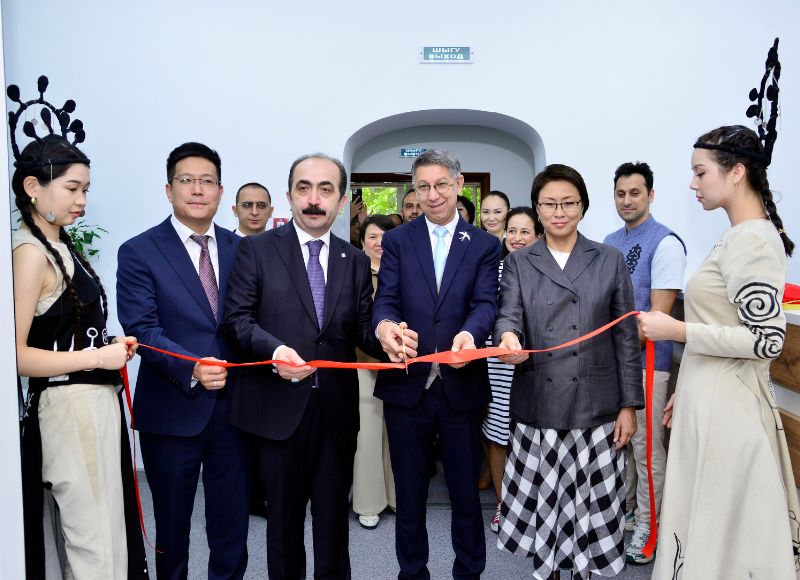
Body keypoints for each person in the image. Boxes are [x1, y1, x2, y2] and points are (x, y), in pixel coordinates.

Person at [638, 125, 799, 578]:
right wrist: (686, 384)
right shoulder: (737, 235)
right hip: (709, 397)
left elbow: (766, 339)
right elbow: (723, 323)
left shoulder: (753, 241)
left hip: (729, 411)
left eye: (700, 172)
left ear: (736, 172)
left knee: (722, 532)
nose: (693, 183)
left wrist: (677, 329)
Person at [10, 77, 148, 579]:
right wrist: (95, 357)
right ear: (33, 187)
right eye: (72, 188)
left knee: (106, 533)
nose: (82, 200)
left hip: (92, 403)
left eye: (85, 189)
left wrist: (104, 345)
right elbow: (16, 355)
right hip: (70, 409)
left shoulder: (59, 244)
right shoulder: (29, 254)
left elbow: (62, 332)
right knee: (93, 543)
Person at [221, 153, 380, 579]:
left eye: (326, 189)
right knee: (284, 526)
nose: (314, 199)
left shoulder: (354, 260)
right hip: (277, 410)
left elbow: (361, 329)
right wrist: (275, 352)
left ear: (341, 202)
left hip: (336, 414)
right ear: (289, 196)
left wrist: (387, 336)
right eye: (304, 188)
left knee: (333, 526)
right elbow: (236, 321)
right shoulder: (256, 250)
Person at [495, 163, 642, 580]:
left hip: (595, 406)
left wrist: (629, 405)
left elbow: (626, 337)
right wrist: (508, 338)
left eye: (568, 203)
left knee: (588, 513)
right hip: (540, 403)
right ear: (537, 209)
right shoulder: (520, 261)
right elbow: (508, 315)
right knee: (548, 511)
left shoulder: (609, 259)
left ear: (583, 206)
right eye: (549, 204)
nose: (559, 212)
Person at [117, 142, 249, 580]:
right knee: (172, 528)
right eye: (187, 180)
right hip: (171, 408)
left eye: (207, 181)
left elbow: (251, 320)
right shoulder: (139, 251)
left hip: (234, 411)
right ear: (168, 189)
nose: (197, 189)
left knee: (232, 524)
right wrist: (190, 366)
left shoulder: (241, 249)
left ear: (220, 191)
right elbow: (142, 328)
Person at [373, 149, 500, 580]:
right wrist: (385, 327)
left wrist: (471, 334)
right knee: (409, 496)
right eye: (423, 186)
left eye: (441, 184)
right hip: (407, 386)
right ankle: (412, 573)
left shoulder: (483, 245)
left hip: (462, 387)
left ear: (459, 184)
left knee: (465, 494)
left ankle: (469, 572)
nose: (432, 195)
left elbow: (485, 303)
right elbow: (386, 300)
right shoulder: (397, 241)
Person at [603, 161, 686, 564]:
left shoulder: (665, 243)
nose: (627, 200)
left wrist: (603, 343)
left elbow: (657, 319)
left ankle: (651, 528)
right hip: (613, 364)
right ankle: (629, 513)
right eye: (620, 193)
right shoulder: (609, 241)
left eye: (635, 193)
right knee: (621, 445)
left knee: (646, 451)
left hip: (648, 364)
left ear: (650, 195)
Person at [482, 206, 541, 534]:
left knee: (532, 437)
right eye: (512, 231)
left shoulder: (549, 270)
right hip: (499, 364)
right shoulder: (496, 270)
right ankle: (503, 504)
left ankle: (535, 505)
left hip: (538, 366)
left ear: (538, 235)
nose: (517, 238)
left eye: (525, 231)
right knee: (498, 434)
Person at [353, 215, 398, 529]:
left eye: (385, 236)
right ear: (362, 241)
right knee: (368, 434)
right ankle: (368, 501)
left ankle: (396, 496)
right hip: (363, 362)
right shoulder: (353, 271)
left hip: (401, 363)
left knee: (397, 434)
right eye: (372, 236)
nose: (379, 243)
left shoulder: (403, 270)